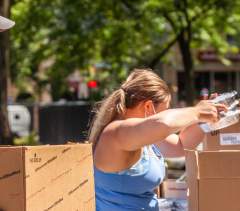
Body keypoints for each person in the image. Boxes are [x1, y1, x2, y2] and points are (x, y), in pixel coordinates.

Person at [89, 68, 227, 211]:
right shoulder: (117, 132)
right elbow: (163, 124)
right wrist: (197, 111)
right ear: (148, 107)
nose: (167, 113)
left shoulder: (144, 135)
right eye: (165, 110)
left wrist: (204, 120)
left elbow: (182, 144)